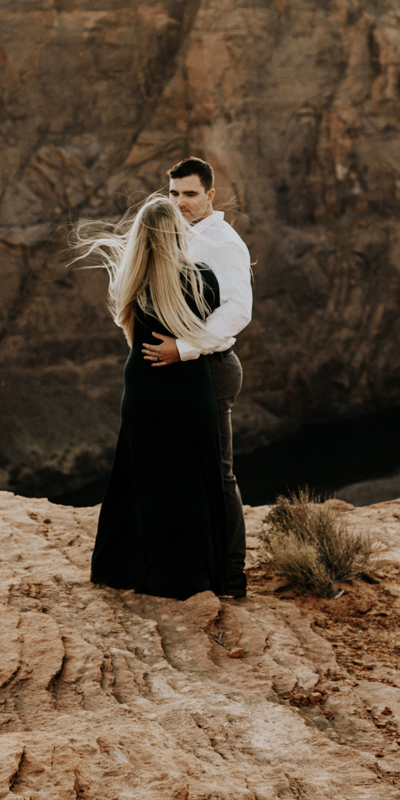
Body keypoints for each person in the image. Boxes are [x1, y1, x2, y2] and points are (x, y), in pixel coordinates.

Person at [75, 192, 233, 600]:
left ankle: (125, 568)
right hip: (189, 392)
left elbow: (130, 331)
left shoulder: (132, 281)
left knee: (141, 481)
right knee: (192, 482)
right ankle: (191, 577)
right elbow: (214, 325)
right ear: (176, 233)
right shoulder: (202, 279)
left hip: (143, 389)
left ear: (141, 236)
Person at [140, 157, 251, 599]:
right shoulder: (172, 234)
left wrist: (183, 348)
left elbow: (238, 312)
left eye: (189, 194)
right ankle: (189, 567)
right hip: (177, 374)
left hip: (210, 369)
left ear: (209, 195)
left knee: (218, 475)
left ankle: (232, 577)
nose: (180, 202)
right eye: (173, 194)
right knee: (180, 472)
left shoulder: (223, 242)